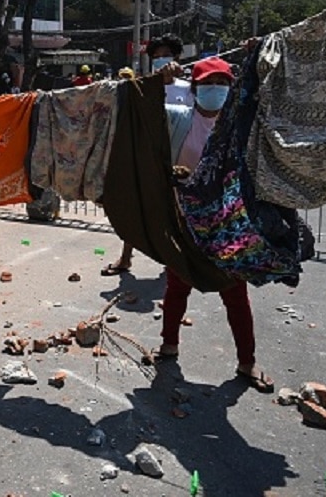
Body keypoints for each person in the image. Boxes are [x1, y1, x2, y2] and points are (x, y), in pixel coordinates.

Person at [149, 56, 274, 394]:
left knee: (235, 292)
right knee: (177, 284)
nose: (215, 90)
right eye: (207, 84)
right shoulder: (179, 120)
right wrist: (156, 83)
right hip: (186, 218)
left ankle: (247, 362)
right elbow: (140, 114)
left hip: (229, 222)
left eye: (222, 84)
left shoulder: (241, 129)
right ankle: (168, 345)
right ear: (194, 89)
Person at [101, 34, 185, 277]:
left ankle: (175, 263)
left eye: (166, 56)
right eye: (156, 57)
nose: (161, 61)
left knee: (175, 213)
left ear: (177, 58)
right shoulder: (140, 88)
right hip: (145, 157)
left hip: (177, 159)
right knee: (135, 209)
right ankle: (125, 258)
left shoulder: (187, 89)